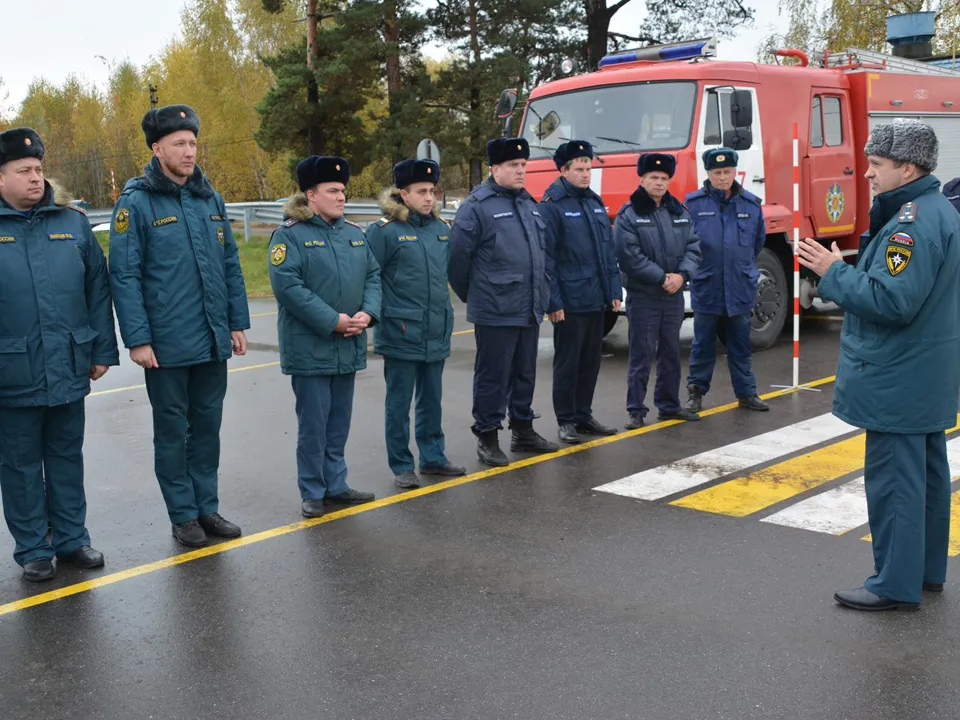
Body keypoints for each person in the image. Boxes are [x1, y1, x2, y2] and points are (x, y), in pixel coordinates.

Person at [798, 119, 960, 611]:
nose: (867, 174)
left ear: (906, 168)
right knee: (926, 479)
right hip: (923, 373)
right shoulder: (935, 210)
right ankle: (925, 572)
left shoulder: (911, 223)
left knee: (895, 484)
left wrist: (833, 273)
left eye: (877, 164)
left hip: (898, 375)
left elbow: (893, 302)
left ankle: (893, 583)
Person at [109, 105, 250, 548]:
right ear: (157, 148)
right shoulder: (136, 202)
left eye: (192, 142)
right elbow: (125, 274)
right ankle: (182, 515)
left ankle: (206, 507)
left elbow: (230, 263)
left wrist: (236, 321)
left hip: (212, 337)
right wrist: (138, 339)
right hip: (166, 344)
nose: (189, 151)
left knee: (207, 427)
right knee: (172, 431)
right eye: (179, 144)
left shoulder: (211, 198)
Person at [0, 128, 119, 581]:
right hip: (12, 370)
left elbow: (97, 289)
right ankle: (32, 547)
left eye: (39, 169)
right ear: (0, 178)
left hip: (68, 363)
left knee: (67, 456)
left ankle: (71, 539)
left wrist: (102, 350)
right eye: (23, 171)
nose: (35, 178)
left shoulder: (71, 223)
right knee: (20, 464)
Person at [268, 155, 380, 518]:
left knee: (338, 423)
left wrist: (368, 312)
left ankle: (336, 485)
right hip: (311, 348)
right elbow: (288, 287)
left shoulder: (354, 235)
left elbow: (373, 277)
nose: (341, 197)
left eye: (343, 190)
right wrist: (332, 320)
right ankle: (313, 490)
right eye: (333, 190)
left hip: (347, 345)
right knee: (314, 426)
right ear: (311, 196)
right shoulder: (290, 236)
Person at [448, 138, 557, 466]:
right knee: (493, 375)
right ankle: (487, 435)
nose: (521, 171)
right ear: (495, 169)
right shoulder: (477, 206)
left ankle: (522, 429)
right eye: (513, 166)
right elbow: (457, 261)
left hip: (529, 306)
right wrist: (478, 296)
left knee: (525, 371)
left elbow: (540, 253)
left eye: (523, 165)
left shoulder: (528, 203)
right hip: (495, 308)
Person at [366, 158, 466, 489]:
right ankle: (401, 464)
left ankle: (433, 457)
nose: (429, 198)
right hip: (401, 331)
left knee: (431, 399)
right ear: (402, 194)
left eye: (433, 192)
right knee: (399, 403)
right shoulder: (384, 231)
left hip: (435, 329)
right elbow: (369, 279)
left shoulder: (441, 230)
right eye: (421, 192)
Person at [540, 140, 621, 444]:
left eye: (589, 168)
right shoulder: (552, 205)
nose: (586, 174)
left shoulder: (594, 202)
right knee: (568, 363)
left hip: (595, 297)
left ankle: (583, 415)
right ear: (563, 170)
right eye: (579, 169)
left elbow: (607, 252)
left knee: (590, 361)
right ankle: (566, 421)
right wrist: (553, 300)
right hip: (569, 301)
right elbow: (547, 258)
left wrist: (613, 290)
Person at [614, 152, 702, 429]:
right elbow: (629, 255)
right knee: (641, 354)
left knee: (671, 353)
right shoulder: (629, 215)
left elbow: (694, 247)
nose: (659, 183)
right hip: (644, 296)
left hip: (673, 294)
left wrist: (681, 276)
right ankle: (636, 410)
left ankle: (668, 405)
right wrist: (662, 277)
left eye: (664, 178)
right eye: (653, 177)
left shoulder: (678, 211)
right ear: (641, 179)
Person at [683, 148, 769, 413]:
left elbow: (757, 244)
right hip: (707, 285)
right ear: (708, 174)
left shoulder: (751, 205)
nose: (722, 177)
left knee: (741, 345)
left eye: (727, 172)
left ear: (735, 172)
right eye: (717, 173)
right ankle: (695, 393)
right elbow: (687, 243)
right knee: (702, 345)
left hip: (739, 286)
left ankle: (747, 393)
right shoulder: (694, 205)